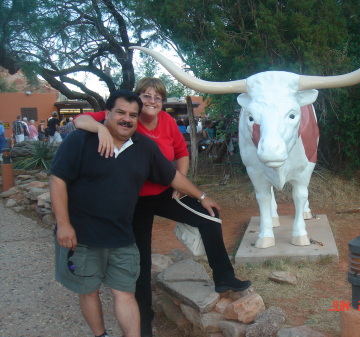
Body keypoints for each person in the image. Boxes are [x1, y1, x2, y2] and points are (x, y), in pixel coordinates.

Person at [74, 78, 251, 337]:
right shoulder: (128, 116)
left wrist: (183, 180)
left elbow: (182, 151)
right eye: (146, 96)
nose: (152, 101)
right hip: (133, 200)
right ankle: (144, 323)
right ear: (137, 100)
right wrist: (101, 129)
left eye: (157, 97)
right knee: (140, 262)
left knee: (209, 215)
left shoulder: (167, 121)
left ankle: (223, 276)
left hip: (164, 191)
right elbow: (80, 121)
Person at [51, 90, 220, 337]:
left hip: (122, 236)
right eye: (120, 112)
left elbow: (173, 177)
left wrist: (202, 197)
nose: (126, 119)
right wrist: (64, 225)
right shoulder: (80, 141)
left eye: (132, 115)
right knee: (88, 290)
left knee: (125, 292)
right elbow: (58, 180)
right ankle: (101, 335)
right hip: (82, 236)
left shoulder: (145, 148)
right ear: (107, 113)